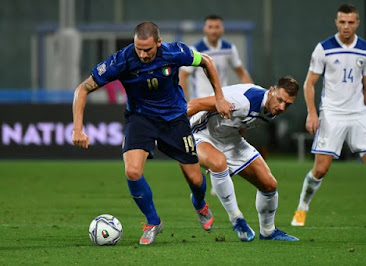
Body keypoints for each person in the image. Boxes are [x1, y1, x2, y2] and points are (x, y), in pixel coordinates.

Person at [72, 21, 232, 245]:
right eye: (139, 48)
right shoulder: (122, 60)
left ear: (159, 43)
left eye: (147, 49)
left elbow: (206, 61)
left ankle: (199, 202)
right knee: (133, 171)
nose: (143, 54)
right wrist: (77, 129)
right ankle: (153, 221)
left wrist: (219, 97)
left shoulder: (174, 52)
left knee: (196, 180)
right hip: (140, 118)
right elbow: (83, 89)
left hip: (174, 119)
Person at [291, 4, 366, 227]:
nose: (346, 26)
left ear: (357, 23)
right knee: (321, 169)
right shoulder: (324, 48)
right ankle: (302, 208)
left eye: (350, 22)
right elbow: (309, 83)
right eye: (342, 22)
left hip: (358, 113)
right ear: (336, 22)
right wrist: (312, 113)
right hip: (332, 114)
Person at [188, 76, 299, 241]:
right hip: (200, 133)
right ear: (271, 91)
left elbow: (242, 122)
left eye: (287, 104)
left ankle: (268, 232)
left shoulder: (272, 110)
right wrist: (172, 129)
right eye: (280, 100)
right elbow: (195, 104)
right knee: (218, 163)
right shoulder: (242, 101)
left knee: (269, 184)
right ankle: (237, 219)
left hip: (230, 139)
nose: (282, 107)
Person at [179, 15, 253, 100]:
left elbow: (242, 73)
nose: (213, 31)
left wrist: (252, 94)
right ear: (204, 29)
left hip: (222, 100)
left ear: (222, 29)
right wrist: (185, 102)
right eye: (210, 27)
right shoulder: (195, 50)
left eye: (217, 27)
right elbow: (183, 75)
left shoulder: (229, 48)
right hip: (202, 101)